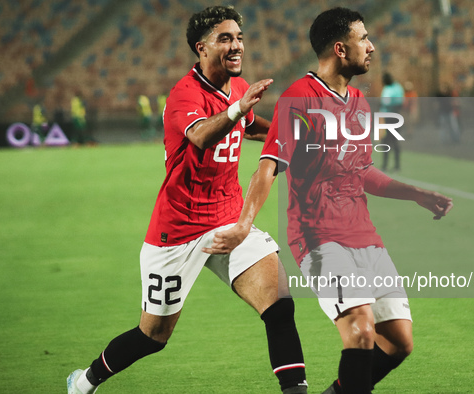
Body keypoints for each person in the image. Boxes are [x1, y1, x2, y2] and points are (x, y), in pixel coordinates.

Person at [205, 8, 453, 394]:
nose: (371, 47)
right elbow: (268, 167)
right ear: (340, 48)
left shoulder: (359, 102)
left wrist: (416, 194)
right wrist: (243, 226)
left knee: (399, 342)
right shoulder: (300, 99)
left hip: (365, 237)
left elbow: (363, 172)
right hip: (319, 237)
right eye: (364, 39)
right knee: (360, 330)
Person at [67, 6, 308, 394]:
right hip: (176, 232)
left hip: (229, 219)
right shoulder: (185, 94)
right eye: (225, 39)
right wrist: (237, 109)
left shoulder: (238, 88)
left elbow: (246, 125)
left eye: (239, 38)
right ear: (202, 47)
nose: (236, 46)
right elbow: (200, 136)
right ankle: (84, 382)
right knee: (153, 336)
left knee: (280, 307)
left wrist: (286, 131)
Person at [380, 72, 404, 171]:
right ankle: (385, 164)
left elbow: (399, 103)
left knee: (393, 140)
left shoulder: (396, 88)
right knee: (385, 141)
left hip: (393, 116)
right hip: (385, 116)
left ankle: (396, 165)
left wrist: (389, 106)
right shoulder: (387, 88)